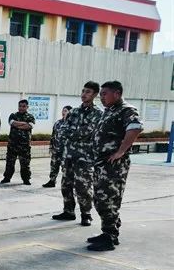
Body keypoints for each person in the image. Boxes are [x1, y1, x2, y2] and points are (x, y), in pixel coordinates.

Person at [88, 81, 143, 251]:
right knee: (100, 199)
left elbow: (135, 127)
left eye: (105, 94)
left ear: (117, 93)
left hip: (114, 166)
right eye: (101, 94)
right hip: (102, 164)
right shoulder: (110, 111)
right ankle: (108, 231)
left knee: (109, 199)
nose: (101, 97)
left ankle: (110, 237)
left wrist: (121, 151)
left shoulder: (126, 110)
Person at [52, 81, 102, 226]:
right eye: (83, 91)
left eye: (88, 92)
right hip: (69, 155)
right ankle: (68, 211)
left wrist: (73, 132)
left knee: (83, 187)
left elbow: (89, 131)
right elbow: (62, 130)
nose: (84, 94)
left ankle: (86, 214)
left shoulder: (98, 113)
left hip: (85, 158)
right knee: (66, 185)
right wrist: (76, 133)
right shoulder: (73, 112)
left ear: (95, 94)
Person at [1, 99, 35, 185]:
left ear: (27, 107)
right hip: (12, 144)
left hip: (24, 145)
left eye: (23, 106)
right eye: (20, 106)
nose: (21, 108)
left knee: (25, 163)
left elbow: (29, 126)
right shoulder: (13, 115)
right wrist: (24, 123)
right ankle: (7, 177)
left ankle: (26, 179)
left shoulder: (30, 117)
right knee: (9, 162)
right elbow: (12, 123)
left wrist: (17, 125)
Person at [43, 105, 71, 188]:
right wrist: (51, 147)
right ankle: (52, 181)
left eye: (65, 111)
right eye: (63, 110)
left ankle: (66, 183)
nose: (63, 112)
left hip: (66, 151)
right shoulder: (58, 123)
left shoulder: (72, 124)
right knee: (53, 165)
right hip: (56, 149)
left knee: (65, 168)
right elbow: (53, 136)